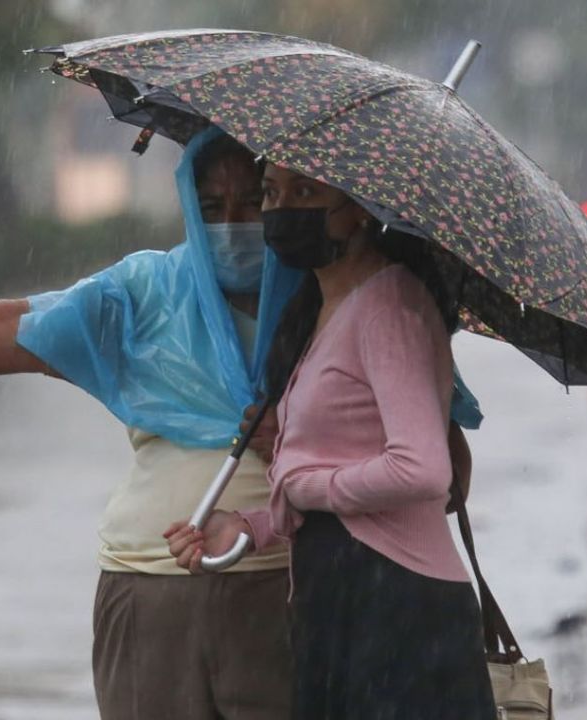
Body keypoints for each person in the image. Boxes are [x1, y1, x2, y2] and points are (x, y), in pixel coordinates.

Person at [0, 127, 481, 719]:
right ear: (190, 208)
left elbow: (440, 476)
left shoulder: (345, 299)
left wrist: (294, 458)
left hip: (290, 600)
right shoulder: (144, 294)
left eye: (256, 201)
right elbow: (21, 329)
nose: (237, 224)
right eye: (214, 207)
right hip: (149, 595)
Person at [167, 164, 495, 719]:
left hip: (399, 607)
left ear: (361, 207)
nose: (280, 210)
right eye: (271, 192)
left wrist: (304, 489)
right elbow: (331, 473)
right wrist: (250, 526)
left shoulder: (390, 304)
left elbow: (423, 470)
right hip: (341, 601)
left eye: (305, 192)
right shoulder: (319, 311)